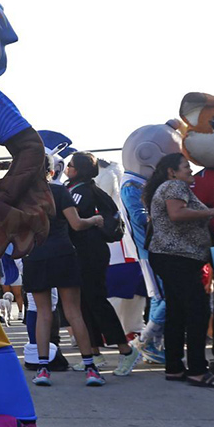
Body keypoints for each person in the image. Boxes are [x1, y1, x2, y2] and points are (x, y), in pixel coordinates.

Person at [144, 153, 214, 388]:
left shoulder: (170, 186)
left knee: (177, 312)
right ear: (172, 171)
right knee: (198, 311)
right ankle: (197, 369)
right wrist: (213, 212)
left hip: (173, 258)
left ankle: (174, 366)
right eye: (186, 167)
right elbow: (177, 214)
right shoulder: (175, 186)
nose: (191, 171)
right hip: (177, 258)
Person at [27, 162, 108, 386]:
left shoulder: (23, 196)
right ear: (52, 171)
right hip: (62, 253)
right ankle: (90, 368)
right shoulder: (59, 191)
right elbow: (76, 224)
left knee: (43, 314)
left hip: (35, 256)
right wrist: (94, 220)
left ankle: (43, 368)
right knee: (74, 312)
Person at [65, 152, 141, 376]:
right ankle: (94, 353)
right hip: (85, 252)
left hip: (89, 252)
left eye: (70, 165)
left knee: (96, 301)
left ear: (78, 169)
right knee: (84, 304)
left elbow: (72, 220)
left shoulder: (80, 191)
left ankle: (125, 351)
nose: (67, 168)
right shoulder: (85, 188)